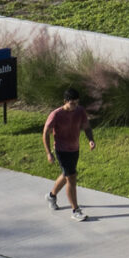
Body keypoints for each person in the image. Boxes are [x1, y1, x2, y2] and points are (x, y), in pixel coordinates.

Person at [43, 88, 95, 222]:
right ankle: (75, 210)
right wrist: (49, 153)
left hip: (74, 149)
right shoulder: (56, 115)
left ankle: (51, 196)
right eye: (72, 103)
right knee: (71, 178)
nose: (74, 106)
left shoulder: (80, 111)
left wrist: (90, 140)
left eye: (76, 103)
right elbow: (45, 134)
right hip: (61, 150)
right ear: (65, 101)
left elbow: (86, 127)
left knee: (66, 175)